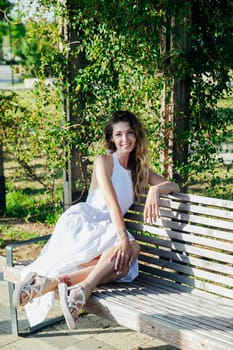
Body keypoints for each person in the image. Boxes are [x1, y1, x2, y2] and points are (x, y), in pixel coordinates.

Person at [13, 110, 180, 329]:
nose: (124, 139)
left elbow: (174, 186)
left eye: (129, 133)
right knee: (131, 249)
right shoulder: (104, 161)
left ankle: (59, 285)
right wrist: (122, 237)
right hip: (87, 223)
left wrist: (155, 190)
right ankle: (80, 289)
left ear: (136, 136)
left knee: (121, 267)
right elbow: (111, 204)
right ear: (111, 138)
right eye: (118, 134)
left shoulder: (140, 170)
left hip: (110, 229)